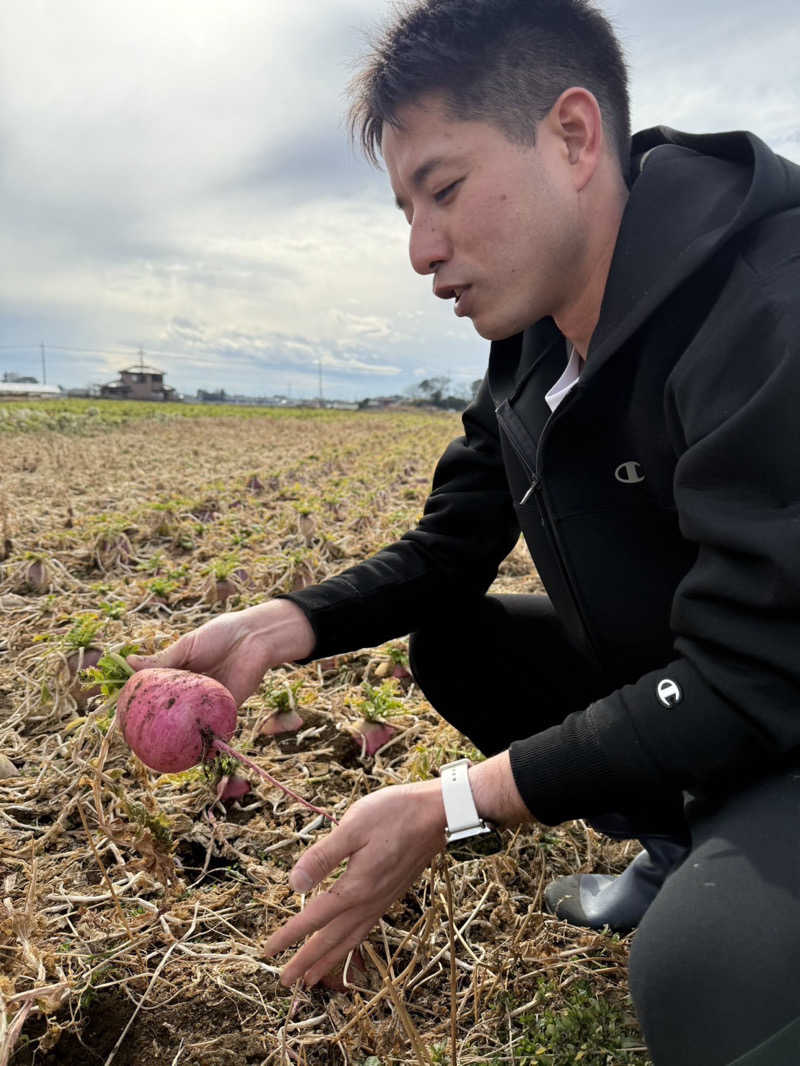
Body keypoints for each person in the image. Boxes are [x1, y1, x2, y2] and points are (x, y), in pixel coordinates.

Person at [129, 1, 800, 1062]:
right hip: (716, 685)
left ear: (572, 137)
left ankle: (730, 872)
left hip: (778, 692)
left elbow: (756, 669)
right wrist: (277, 626)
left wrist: (452, 806)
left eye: (442, 189)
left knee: (706, 976)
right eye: (406, 208)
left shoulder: (768, 306)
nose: (419, 249)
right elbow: (449, 552)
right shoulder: (532, 344)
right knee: (456, 640)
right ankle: (682, 841)